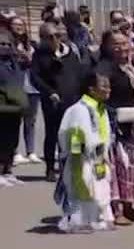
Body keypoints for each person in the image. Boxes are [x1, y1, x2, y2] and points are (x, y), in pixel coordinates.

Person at [98, 30, 134, 225]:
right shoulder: (105, 68)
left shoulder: (131, 67)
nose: (122, 47)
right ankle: (117, 209)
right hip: (117, 125)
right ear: (107, 46)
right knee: (120, 166)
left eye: (125, 43)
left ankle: (130, 206)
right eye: (116, 44)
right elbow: (102, 94)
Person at [54, 70, 114, 232]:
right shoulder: (80, 110)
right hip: (81, 159)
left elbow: (105, 134)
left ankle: (98, 219)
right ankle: (75, 222)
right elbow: (74, 135)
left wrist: (103, 154)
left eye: (109, 86)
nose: (108, 89)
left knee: (100, 189)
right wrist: (77, 159)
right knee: (80, 189)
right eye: (104, 86)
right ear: (91, 89)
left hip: (98, 157)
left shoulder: (101, 109)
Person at [31, 21, 86, 182]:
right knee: (53, 134)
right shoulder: (40, 56)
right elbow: (35, 78)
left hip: (73, 100)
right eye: (50, 36)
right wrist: (50, 92)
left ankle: (70, 165)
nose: (55, 39)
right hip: (53, 101)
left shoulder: (70, 53)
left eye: (57, 35)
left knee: (73, 134)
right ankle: (50, 168)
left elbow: (79, 74)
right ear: (43, 39)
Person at [10, 17, 42, 168]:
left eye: (20, 24)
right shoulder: (8, 44)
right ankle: (15, 152)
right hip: (16, 86)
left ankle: (31, 151)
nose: (18, 27)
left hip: (32, 86)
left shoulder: (31, 44)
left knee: (31, 120)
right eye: (15, 25)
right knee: (15, 120)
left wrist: (30, 57)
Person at [0, 28, 27, 185]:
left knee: (12, 141)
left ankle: (8, 170)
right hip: (3, 107)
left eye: (7, 44)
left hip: (16, 108)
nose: (4, 46)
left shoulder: (14, 62)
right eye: (1, 44)